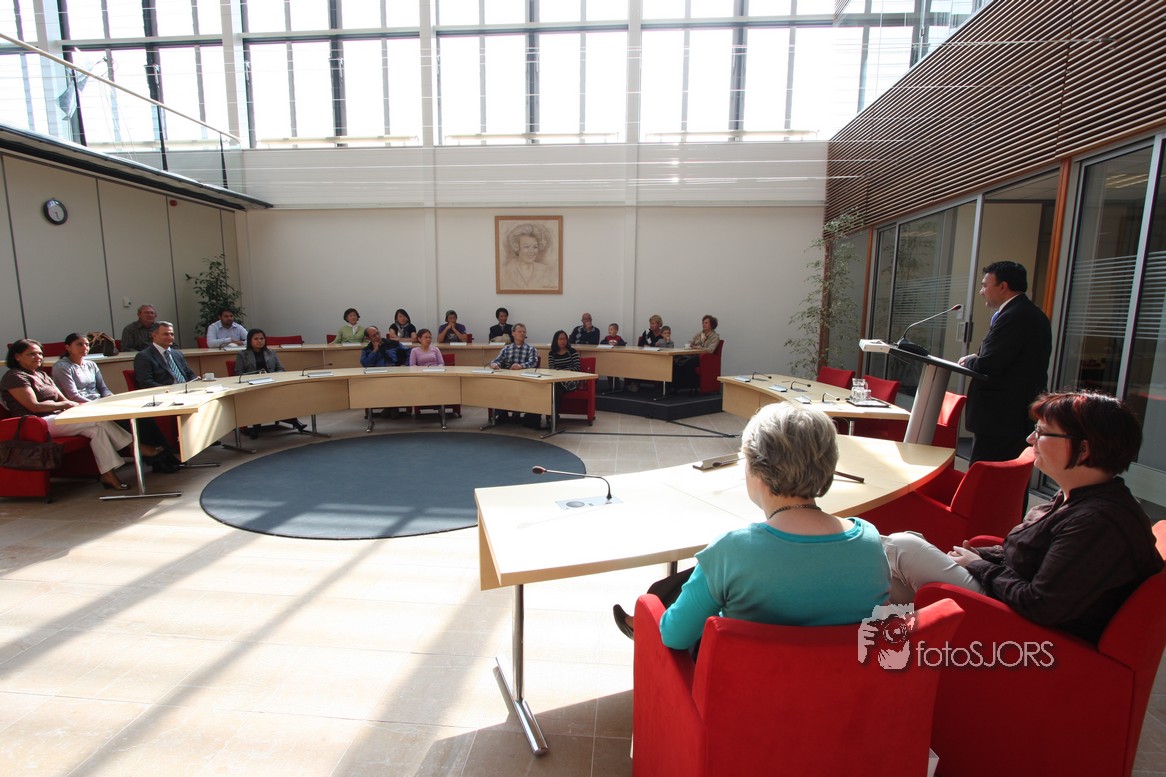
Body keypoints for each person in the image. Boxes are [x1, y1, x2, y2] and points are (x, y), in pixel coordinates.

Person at [881, 390, 1162, 643]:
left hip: (1022, 626)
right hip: (1006, 600)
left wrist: (979, 566)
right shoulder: (1079, 498)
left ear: (1084, 449)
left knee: (902, 547)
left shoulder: (1097, 522)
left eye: (1042, 432)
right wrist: (981, 556)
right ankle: (880, 650)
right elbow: (1032, 556)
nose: (1030, 439)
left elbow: (1040, 603)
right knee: (893, 571)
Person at [611, 403, 891, 649]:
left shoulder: (731, 551)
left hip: (746, 691)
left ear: (758, 468)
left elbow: (674, 637)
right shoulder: (870, 542)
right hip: (847, 689)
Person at [1, 339, 136, 490]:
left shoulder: (42, 375)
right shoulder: (15, 376)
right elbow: (34, 406)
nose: (38, 357)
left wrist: (70, 406)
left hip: (56, 417)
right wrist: (65, 405)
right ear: (17, 357)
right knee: (96, 421)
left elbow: (63, 400)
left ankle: (108, 475)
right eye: (32, 354)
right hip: (36, 423)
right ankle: (133, 445)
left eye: (40, 353)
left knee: (97, 430)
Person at [958, 261, 1052, 463]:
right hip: (1012, 415)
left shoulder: (1015, 316)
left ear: (1003, 286)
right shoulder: (1028, 312)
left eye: (985, 285)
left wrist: (970, 362)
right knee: (1006, 476)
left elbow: (990, 364)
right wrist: (977, 358)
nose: (981, 292)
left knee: (988, 474)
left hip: (1001, 417)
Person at [52, 332, 178, 473]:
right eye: (79, 344)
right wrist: (101, 405)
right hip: (82, 407)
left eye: (86, 344)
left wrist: (113, 400)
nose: (84, 347)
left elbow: (103, 389)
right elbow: (73, 395)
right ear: (68, 347)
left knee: (143, 417)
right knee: (128, 421)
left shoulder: (91, 364)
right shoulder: (62, 367)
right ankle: (159, 461)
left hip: (100, 403)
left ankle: (167, 455)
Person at [234, 328, 306, 437]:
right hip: (253, 386)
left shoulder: (271, 352)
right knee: (260, 399)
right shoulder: (242, 354)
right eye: (256, 339)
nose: (259, 341)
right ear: (250, 340)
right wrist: (255, 377)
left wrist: (273, 376)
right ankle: (256, 425)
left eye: (262, 338)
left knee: (286, 396)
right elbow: (239, 373)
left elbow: (281, 369)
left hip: (271, 383)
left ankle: (294, 421)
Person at [133, 321, 196, 388]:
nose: (170, 337)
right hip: (165, 392)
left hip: (187, 390)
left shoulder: (177, 354)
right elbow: (146, 382)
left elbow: (190, 374)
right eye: (166, 334)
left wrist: (195, 382)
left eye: (172, 334)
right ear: (154, 335)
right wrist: (169, 389)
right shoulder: (144, 357)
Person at [500, 222, 557, 290]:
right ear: (516, 247)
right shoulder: (505, 271)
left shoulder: (546, 271)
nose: (531, 251)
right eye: (526, 247)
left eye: (535, 247)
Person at [673, 314, 720, 391]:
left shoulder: (715, 337)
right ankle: (676, 386)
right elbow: (691, 342)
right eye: (703, 323)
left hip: (704, 359)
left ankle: (690, 386)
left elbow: (711, 350)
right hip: (693, 355)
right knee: (676, 360)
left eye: (706, 323)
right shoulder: (699, 334)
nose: (703, 324)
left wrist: (698, 348)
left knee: (688, 363)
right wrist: (689, 345)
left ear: (712, 325)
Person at [546, 329, 581, 427]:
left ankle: (553, 417)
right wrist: (560, 373)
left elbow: (577, 368)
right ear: (556, 340)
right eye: (560, 339)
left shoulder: (572, 351)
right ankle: (553, 416)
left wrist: (563, 372)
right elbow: (552, 369)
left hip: (571, 380)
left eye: (564, 339)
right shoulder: (552, 353)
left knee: (555, 389)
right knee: (554, 388)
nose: (563, 341)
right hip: (557, 379)